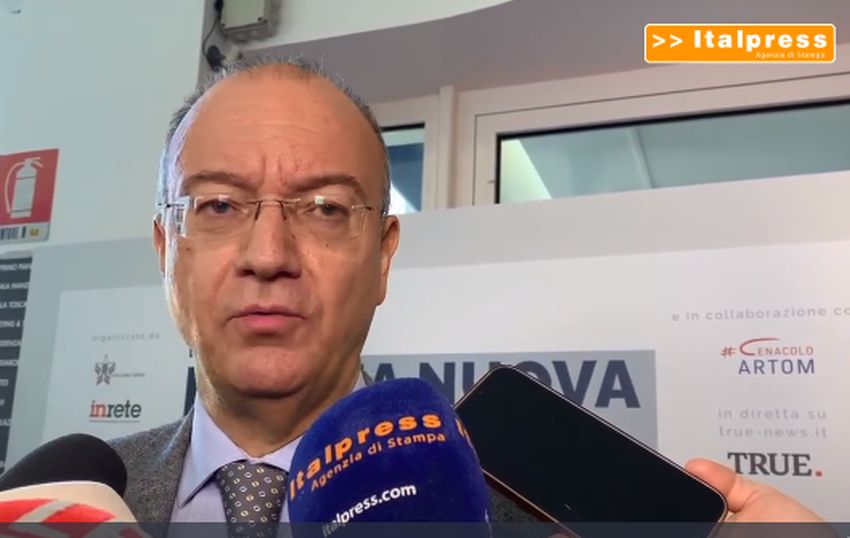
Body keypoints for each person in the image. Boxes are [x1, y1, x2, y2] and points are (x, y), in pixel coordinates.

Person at [109, 57, 823, 526]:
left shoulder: (533, 516)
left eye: (325, 208)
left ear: (383, 256)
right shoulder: (76, 500)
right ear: (167, 248)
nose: (268, 256)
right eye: (218, 205)